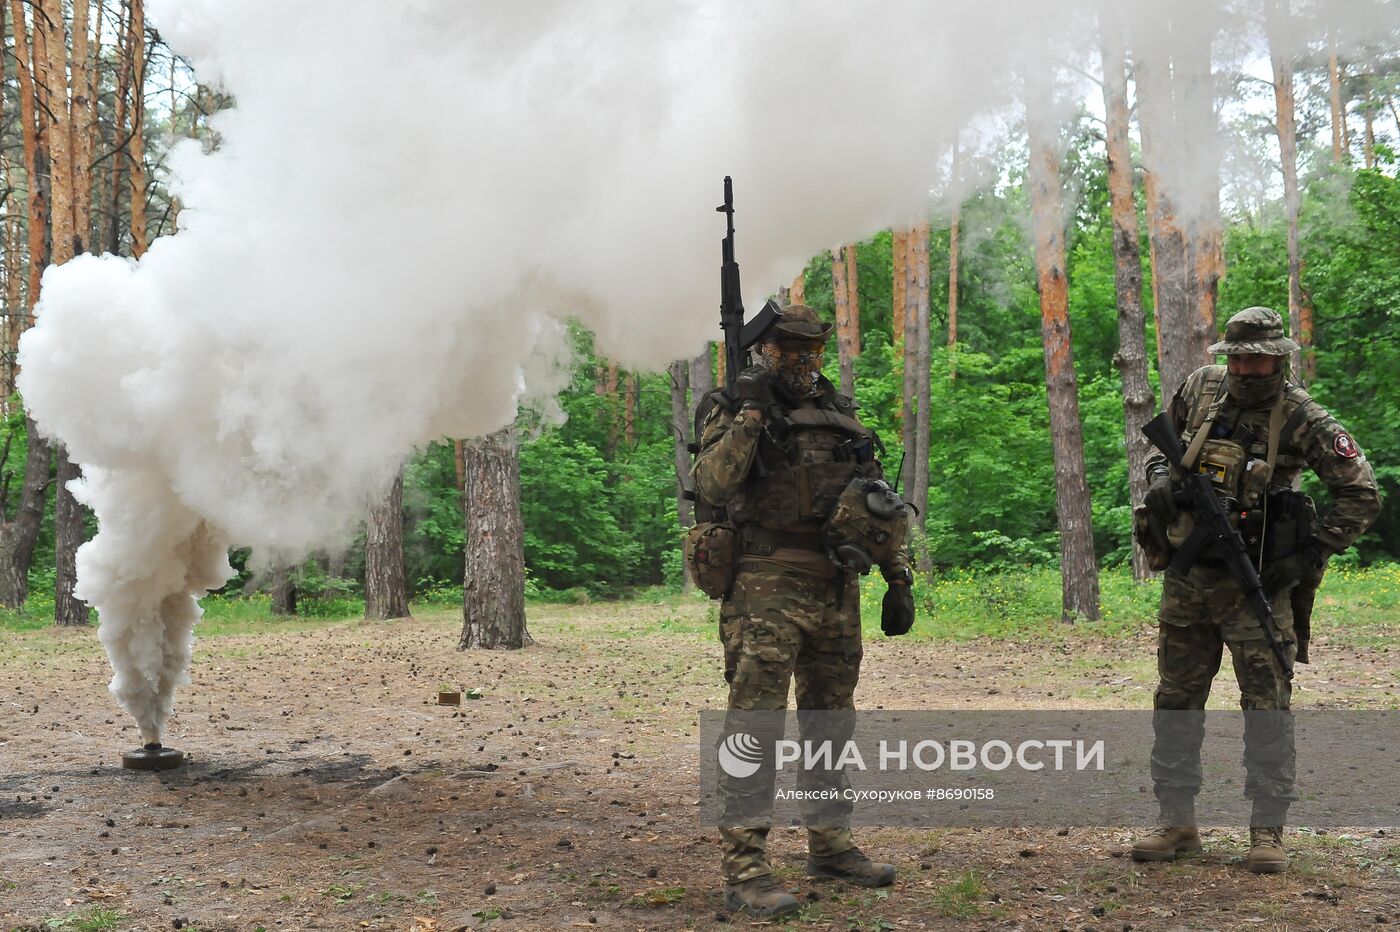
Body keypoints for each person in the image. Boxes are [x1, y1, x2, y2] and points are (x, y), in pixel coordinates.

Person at [1131, 306, 1381, 873]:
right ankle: (1176, 823)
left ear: (1279, 359)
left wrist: (1308, 554)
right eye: (1238, 358)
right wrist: (1160, 479)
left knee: (1266, 706)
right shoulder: (1202, 386)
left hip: (1257, 584)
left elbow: (1361, 493)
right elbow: (1157, 447)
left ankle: (1267, 830)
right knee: (1176, 701)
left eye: (1257, 360)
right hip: (1189, 578)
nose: (1245, 369)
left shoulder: (1302, 416)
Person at [691, 304, 916, 918]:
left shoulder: (838, 411)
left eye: (811, 349)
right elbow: (711, 485)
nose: (801, 360)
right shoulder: (732, 406)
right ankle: (745, 869)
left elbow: (877, 500)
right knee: (755, 728)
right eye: (788, 349)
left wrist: (897, 574)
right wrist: (751, 413)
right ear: (763, 350)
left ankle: (831, 844)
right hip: (765, 584)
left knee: (830, 723)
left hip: (835, 586)